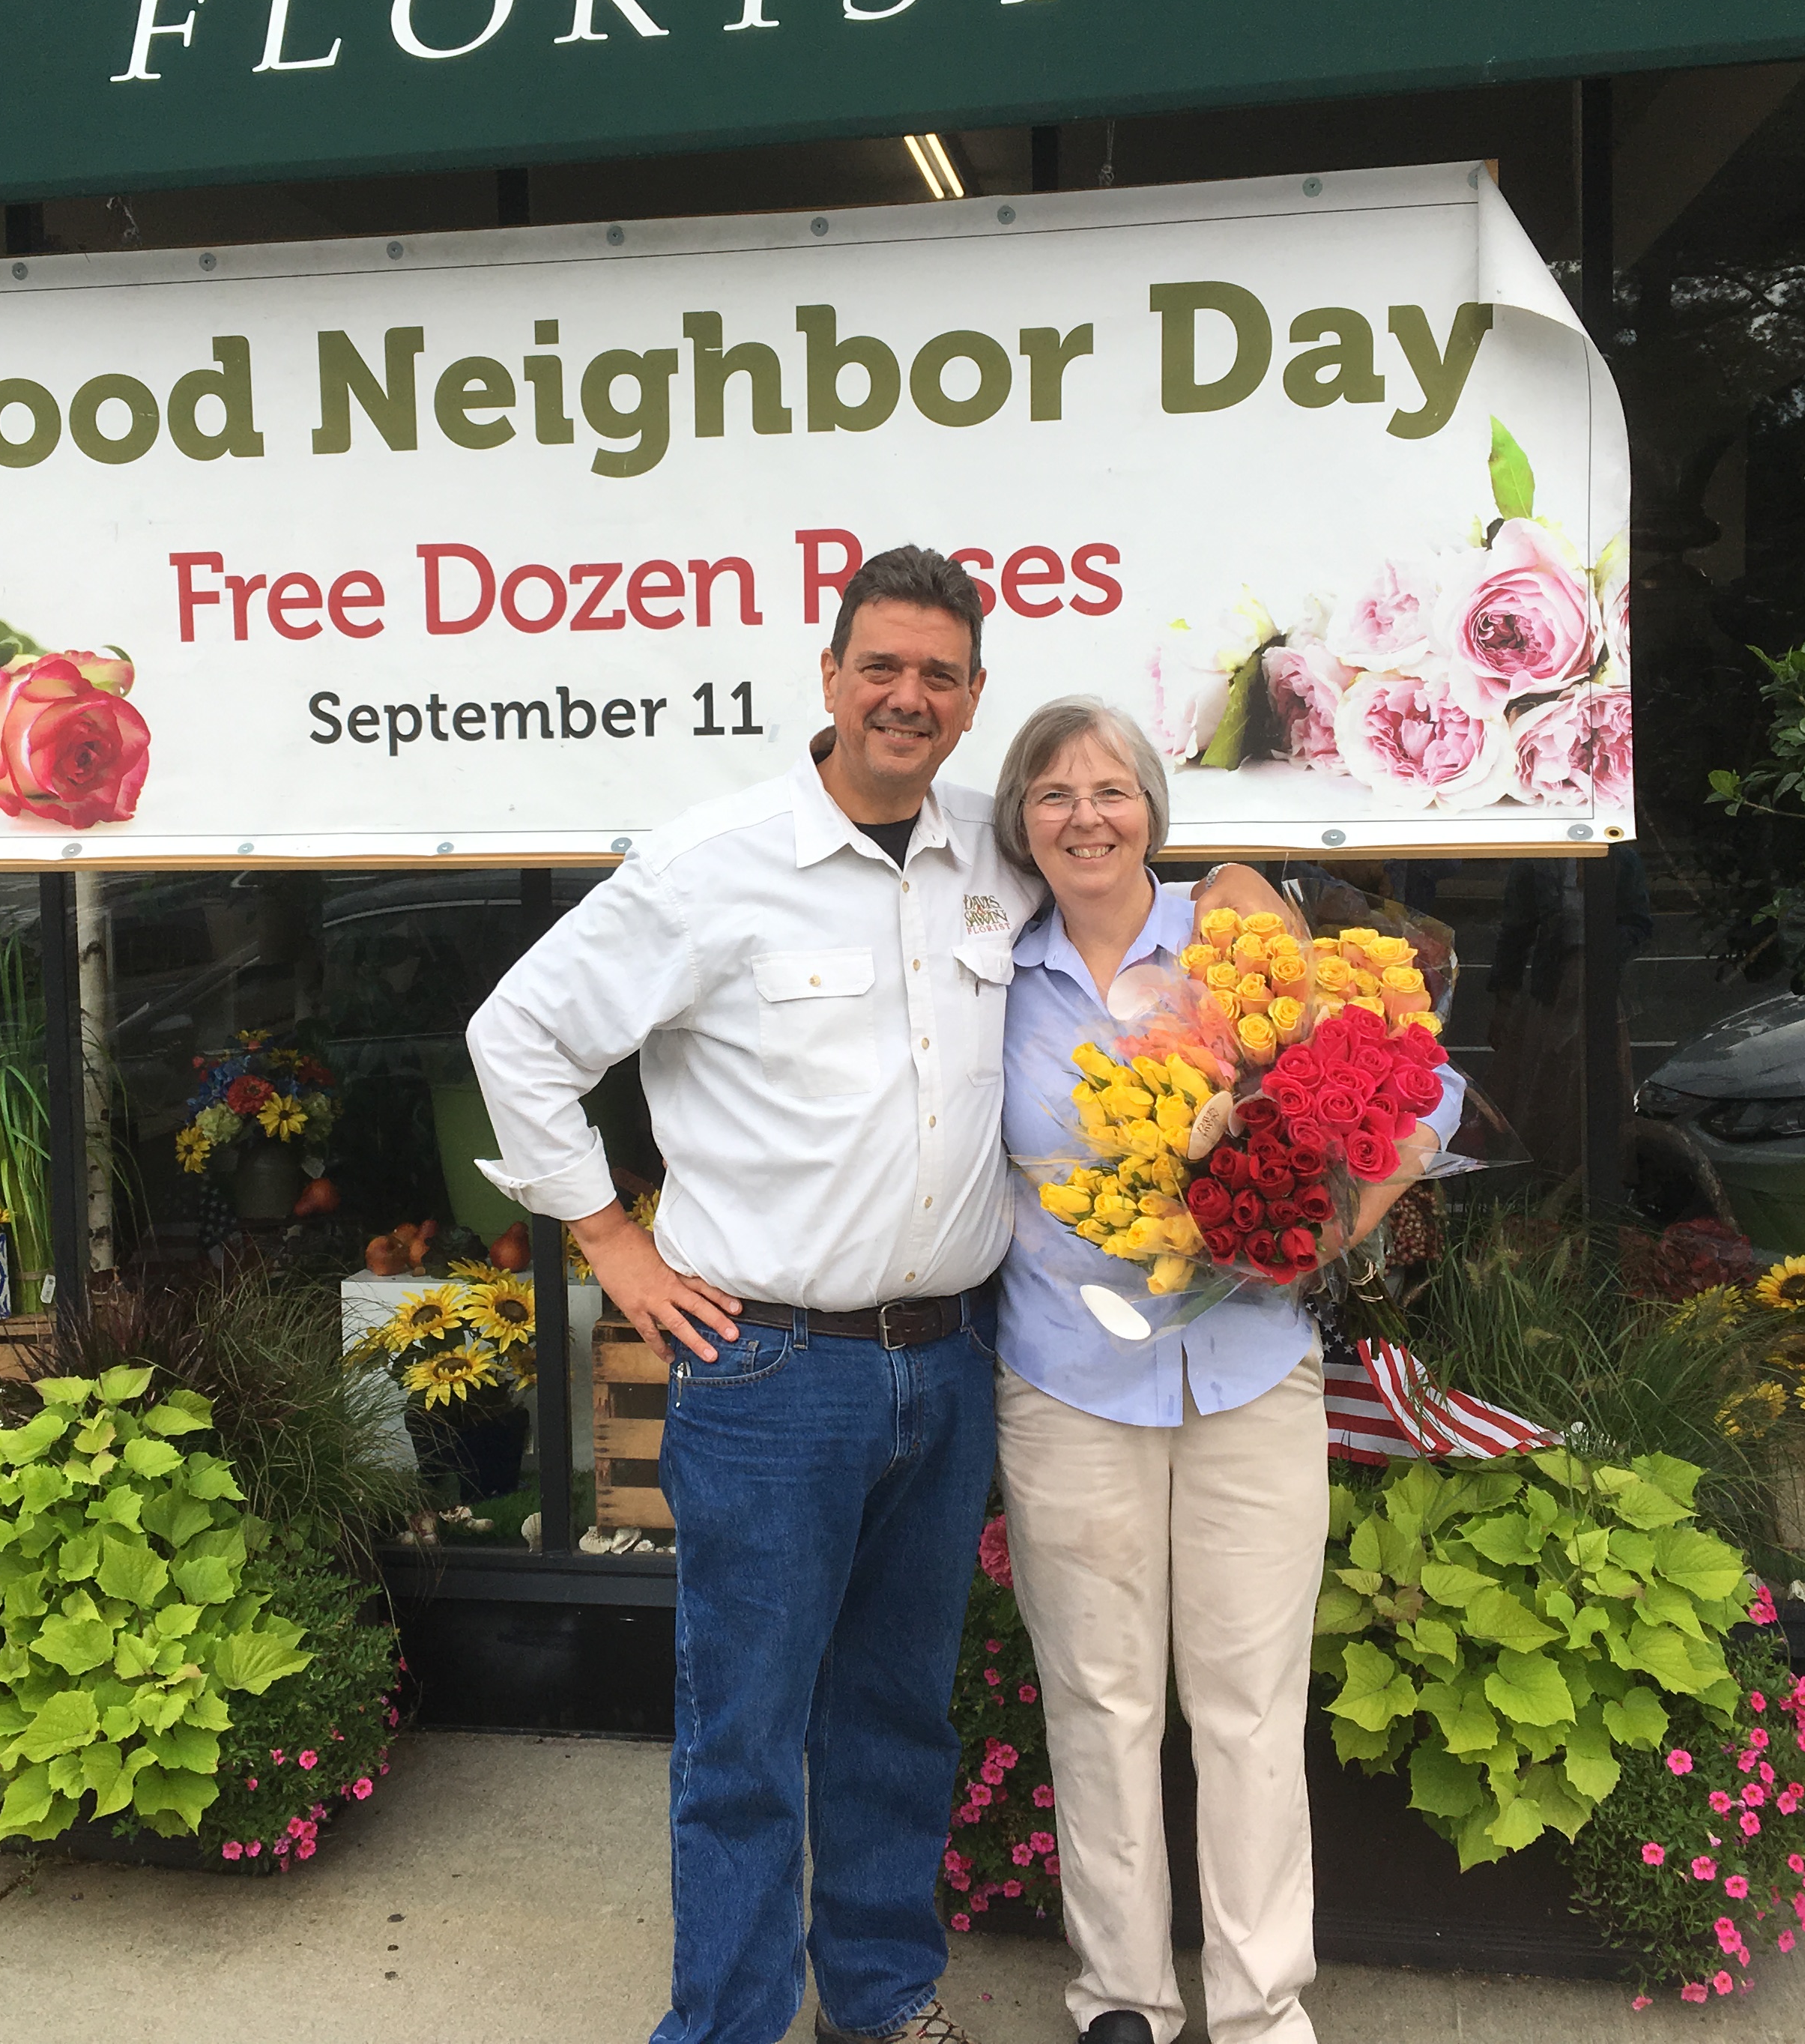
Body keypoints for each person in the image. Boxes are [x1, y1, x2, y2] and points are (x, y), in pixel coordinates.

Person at [465, 545, 1027, 2044]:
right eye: (882, 666)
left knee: (899, 1716)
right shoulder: (711, 866)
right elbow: (516, 1037)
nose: (907, 696)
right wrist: (610, 1243)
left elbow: (1149, 871)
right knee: (744, 1744)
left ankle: (886, 1997)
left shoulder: (995, 853)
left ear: (975, 702)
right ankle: (722, 2027)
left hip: (948, 1362)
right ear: (829, 675)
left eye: (940, 674)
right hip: (777, 1376)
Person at [988, 695, 1463, 2044]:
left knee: (1250, 1703)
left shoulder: (1235, 936)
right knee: (1099, 1701)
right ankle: (1120, 1998)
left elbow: (1417, 1089)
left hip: (1251, 1374)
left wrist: (1320, 1232)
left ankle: (1262, 2010)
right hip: (1068, 1382)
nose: (1086, 816)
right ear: (1023, 826)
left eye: (1111, 790)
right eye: (1054, 795)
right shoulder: (991, 975)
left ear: (1154, 807)